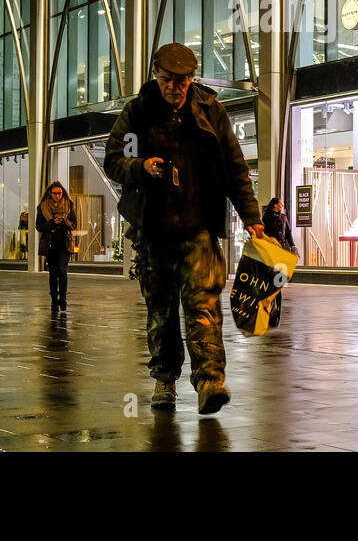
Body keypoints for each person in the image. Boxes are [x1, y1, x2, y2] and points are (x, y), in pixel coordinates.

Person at [104, 42, 260, 415]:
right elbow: (114, 160)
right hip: (154, 230)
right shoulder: (137, 113)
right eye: (167, 80)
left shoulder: (211, 112)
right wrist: (141, 167)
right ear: (155, 76)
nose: (175, 87)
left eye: (182, 81)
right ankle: (164, 380)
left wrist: (253, 218)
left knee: (204, 304)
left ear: (192, 79)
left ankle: (210, 382)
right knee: (161, 310)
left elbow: (236, 168)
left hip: (198, 228)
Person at [35, 182, 75, 312]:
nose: (57, 196)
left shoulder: (69, 205)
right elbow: (39, 226)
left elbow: (74, 225)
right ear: (50, 194)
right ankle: (54, 300)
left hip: (64, 242)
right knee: (53, 272)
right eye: (55, 193)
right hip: (50, 243)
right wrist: (51, 222)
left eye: (59, 193)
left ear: (63, 193)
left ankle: (63, 299)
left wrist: (64, 222)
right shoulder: (42, 207)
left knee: (62, 271)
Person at [257, 197, 296, 328]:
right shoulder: (266, 218)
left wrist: (293, 246)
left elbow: (289, 233)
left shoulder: (284, 218)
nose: (282, 206)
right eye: (280, 204)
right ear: (275, 205)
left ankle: (276, 309)